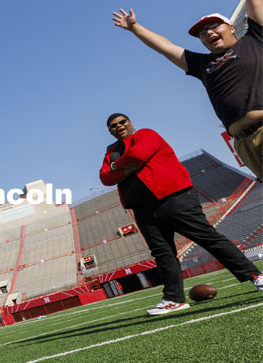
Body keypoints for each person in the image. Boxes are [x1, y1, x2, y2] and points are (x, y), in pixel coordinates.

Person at [112, 0, 263, 181]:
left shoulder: (255, 39)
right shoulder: (203, 65)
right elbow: (166, 47)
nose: (208, 33)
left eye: (214, 27)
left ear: (232, 27)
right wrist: (135, 28)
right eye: (202, 34)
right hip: (246, 143)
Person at [98, 113, 263, 316]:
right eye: (113, 126)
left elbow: (138, 156)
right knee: (162, 253)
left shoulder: (146, 135)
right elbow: (105, 177)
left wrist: (117, 167)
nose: (119, 127)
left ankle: (256, 276)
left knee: (207, 237)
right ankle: (174, 299)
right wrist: (125, 170)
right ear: (110, 131)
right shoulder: (110, 152)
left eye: (122, 122)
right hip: (142, 207)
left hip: (173, 197)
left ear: (130, 123)